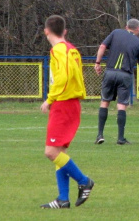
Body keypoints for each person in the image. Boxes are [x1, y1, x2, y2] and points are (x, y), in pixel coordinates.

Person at [39, 15, 94, 209]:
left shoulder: (58, 50)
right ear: (65, 31)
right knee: (59, 152)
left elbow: (63, 78)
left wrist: (50, 99)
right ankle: (63, 198)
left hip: (63, 104)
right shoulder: (72, 49)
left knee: (51, 152)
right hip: (71, 104)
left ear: (46, 31)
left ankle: (84, 181)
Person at [94, 18, 139, 145]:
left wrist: (97, 63)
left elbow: (102, 46)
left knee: (105, 102)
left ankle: (100, 135)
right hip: (125, 75)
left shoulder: (116, 32)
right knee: (122, 105)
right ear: (138, 29)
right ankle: (120, 138)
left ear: (126, 26)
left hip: (110, 72)